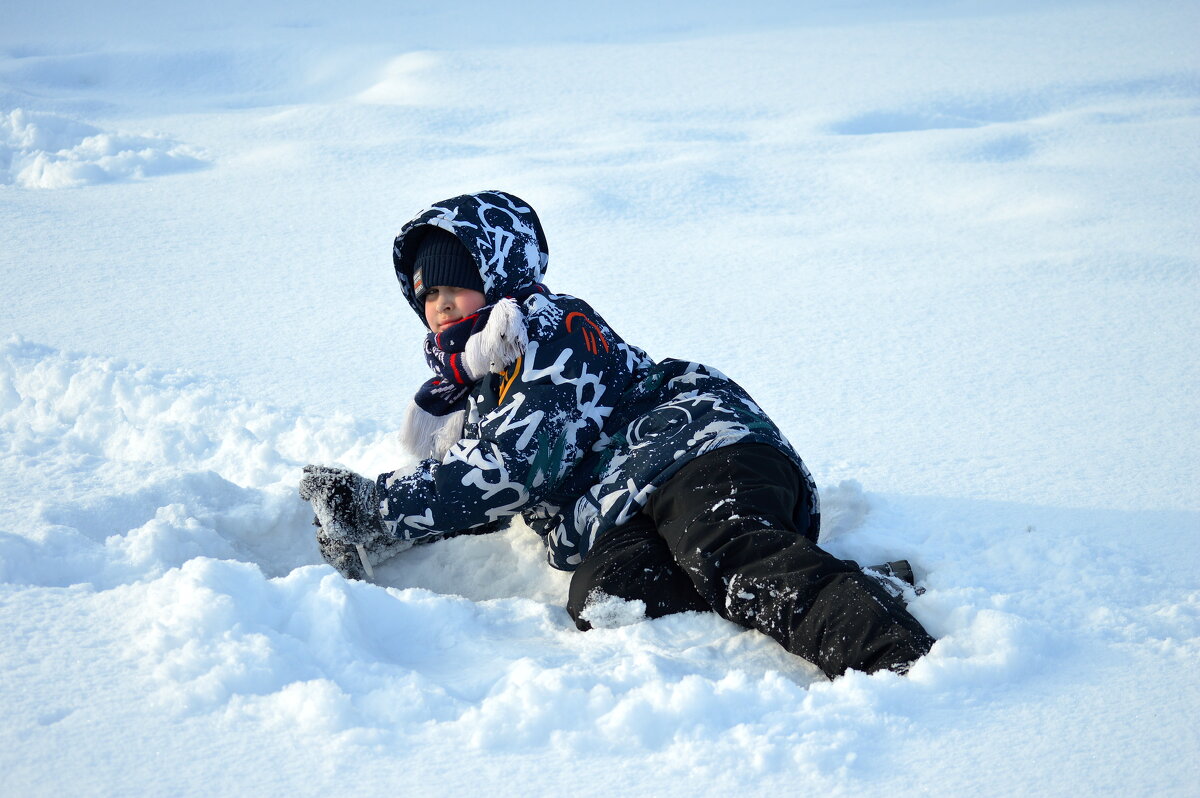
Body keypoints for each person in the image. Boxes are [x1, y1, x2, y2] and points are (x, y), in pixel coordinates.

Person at [299, 189, 934, 679]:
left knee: (724, 550)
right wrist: (410, 516)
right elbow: (481, 484)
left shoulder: (547, 327)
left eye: (453, 283)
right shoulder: (477, 391)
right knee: (608, 599)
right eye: (425, 292)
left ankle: (890, 651)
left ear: (498, 270)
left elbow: (510, 469)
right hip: (625, 505)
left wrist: (377, 508)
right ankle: (850, 585)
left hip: (697, 449)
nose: (438, 303)